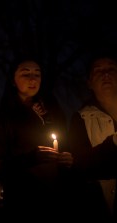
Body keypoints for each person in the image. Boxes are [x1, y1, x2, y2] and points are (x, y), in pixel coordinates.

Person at [0, 56, 74, 221]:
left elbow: (66, 143)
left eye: (37, 74)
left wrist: (68, 158)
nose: (33, 79)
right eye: (25, 74)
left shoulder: (53, 110)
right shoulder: (2, 117)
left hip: (57, 197)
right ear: (13, 81)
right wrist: (31, 158)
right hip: (24, 202)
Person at [67, 55, 117, 222]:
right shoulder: (81, 119)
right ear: (89, 82)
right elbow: (80, 164)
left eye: (111, 69)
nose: (106, 74)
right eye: (98, 71)